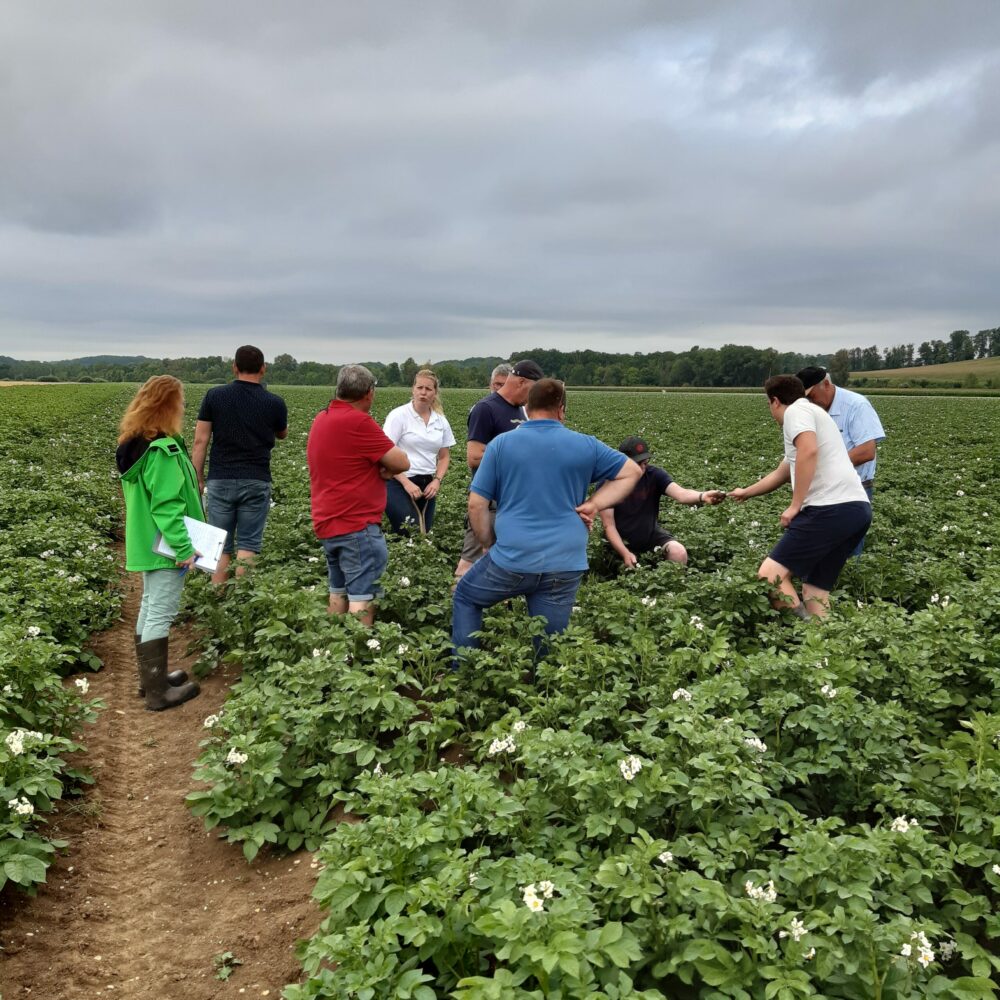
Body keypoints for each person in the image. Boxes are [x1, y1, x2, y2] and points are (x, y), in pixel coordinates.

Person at [452, 378, 643, 653]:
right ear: (562, 409)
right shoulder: (586, 445)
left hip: (513, 556)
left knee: (467, 597)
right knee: (550, 642)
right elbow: (632, 472)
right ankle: (545, 686)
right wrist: (594, 504)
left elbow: (476, 505)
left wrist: (486, 544)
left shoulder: (501, 445)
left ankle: (465, 669)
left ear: (527, 408)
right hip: (565, 560)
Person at [729, 375, 872, 619]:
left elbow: (808, 451)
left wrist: (795, 505)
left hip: (829, 508)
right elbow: (784, 471)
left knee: (769, 576)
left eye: (768, 405)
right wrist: (747, 492)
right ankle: (823, 642)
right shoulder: (815, 415)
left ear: (774, 401)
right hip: (856, 510)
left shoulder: (796, 412)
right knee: (815, 588)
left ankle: (802, 634)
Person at [116, 375, 202, 711]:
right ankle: (157, 694)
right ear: (167, 406)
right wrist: (183, 548)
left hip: (145, 541)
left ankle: (151, 679)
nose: (183, 407)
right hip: (165, 546)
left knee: (150, 605)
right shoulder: (162, 450)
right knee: (160, 611)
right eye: (179, 401)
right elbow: (167, 506)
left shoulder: (135, 443)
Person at [306, 365, 409, 626]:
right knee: (362, 597)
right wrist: (383, 469)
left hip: (327, 521)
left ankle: (335, 652)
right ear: (368, 393)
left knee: (338, 591)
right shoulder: (359, 422)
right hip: (357, 525)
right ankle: (357, 656)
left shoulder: (322, 417)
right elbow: (402, 462)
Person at [192, 346, 288, 584]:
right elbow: (282, 433)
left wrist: (198, 477)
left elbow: (200, 440)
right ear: (263, 369)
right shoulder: (274, 402)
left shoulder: (215, 396)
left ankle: (217, 596)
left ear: (234, 367)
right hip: (256, 479)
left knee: (220, 543)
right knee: (248, 543)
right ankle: (241, 599)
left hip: (221, 477)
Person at [453, 359, 542, 581]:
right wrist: (517, 458)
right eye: (532, 389)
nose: (533, 397)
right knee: (469, 563)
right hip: (488, 503)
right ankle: (457, 607)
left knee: (505, 562)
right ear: (521, 382)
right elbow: (474, 457)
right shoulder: (486, 409)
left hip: (511, 502)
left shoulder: (521, 410)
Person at [795, 366, 885, 555]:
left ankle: (851, 583)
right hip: (822, 490)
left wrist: (825, 467)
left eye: (811, 396)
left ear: (826, 384)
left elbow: (867, 451)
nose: (810, 402)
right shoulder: (812, 411)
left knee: (847, 551)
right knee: (821, 552)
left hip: (854, 489)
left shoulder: (856, 405)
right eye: (806, 399)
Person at [599, 436, 726, 568]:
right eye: (636, 464)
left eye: (645, 463)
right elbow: (609, 526)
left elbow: (681, 494)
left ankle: (674, 585)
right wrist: (625, 553)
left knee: (679, 552)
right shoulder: (608, 483)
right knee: (622, 568)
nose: (642, 469)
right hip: (620, 541)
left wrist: (702, 496)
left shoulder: (654, 475)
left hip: (650, 535)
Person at [382, 369, 455, 534]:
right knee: (409, 530)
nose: (423, 392)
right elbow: (385, 453)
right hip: (398, 482)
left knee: (424, 532)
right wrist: (406, 483)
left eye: (428, 389)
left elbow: (443, 457)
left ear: (435, 393)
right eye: (420, 387)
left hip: (427, 484)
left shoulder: (440, 421)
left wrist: (437, 480)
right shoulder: (399, 416)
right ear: (413, 389)